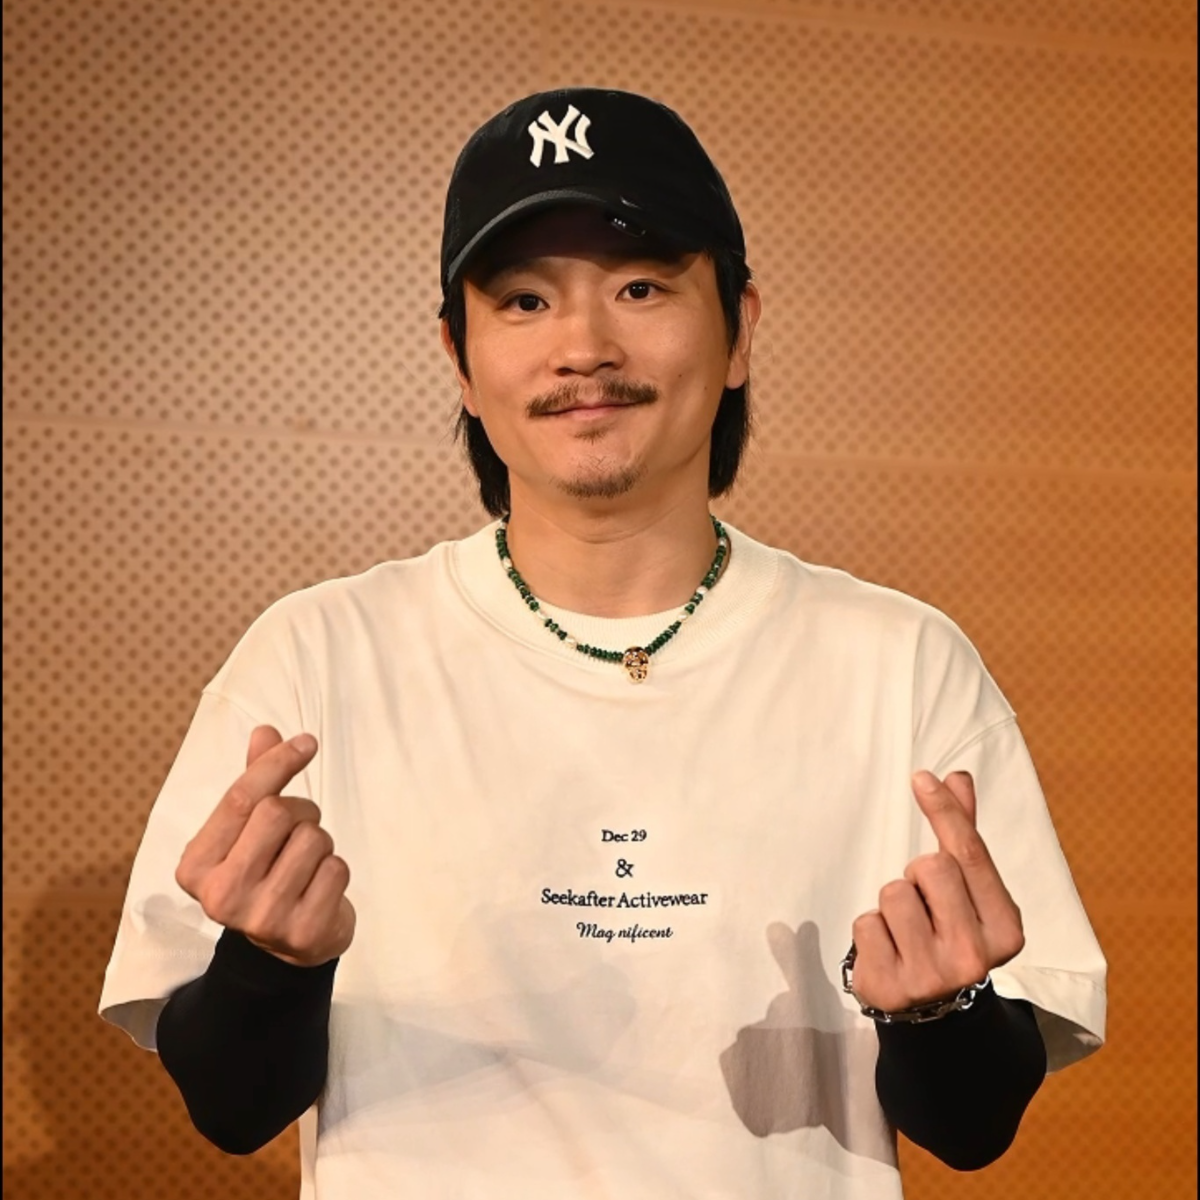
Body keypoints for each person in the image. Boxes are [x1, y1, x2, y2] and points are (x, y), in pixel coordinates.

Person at [99, 87, 1106, 1199]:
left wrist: (940, 1012)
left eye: (640, 288)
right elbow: (232, 1107)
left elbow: (972, 1129)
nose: (583, 347)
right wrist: (270, 967)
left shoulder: (901, 662)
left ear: (740, 330)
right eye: (525, 301)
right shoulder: (316, 657)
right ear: (459, 358)